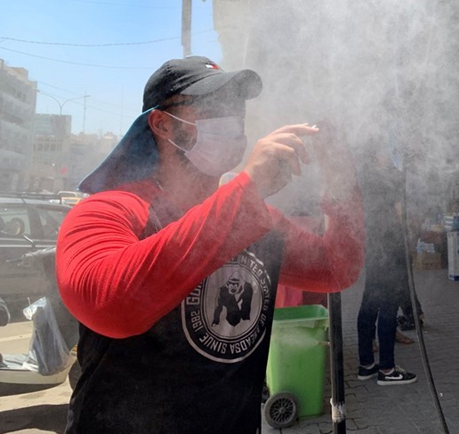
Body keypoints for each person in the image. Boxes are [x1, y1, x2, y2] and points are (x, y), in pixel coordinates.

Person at [56, 56, 365, 433]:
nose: (231, 119)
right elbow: (111, 305)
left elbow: (337, 268)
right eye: (212, 107)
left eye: (237, 108)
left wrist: (341, 180)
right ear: (162, 124)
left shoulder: (256, 216)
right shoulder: (108, 210)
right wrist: (247, 192)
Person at [356, 140, 417, 386]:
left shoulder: (363, 178)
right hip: (389, 247)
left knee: (369, 304)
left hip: (372, 245)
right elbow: (401, 214)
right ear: (379, 154)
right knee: (389, 307)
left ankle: (366, 364)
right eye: (388, 151)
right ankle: (388, 369)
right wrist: (409, 235)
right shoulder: (388, 178)